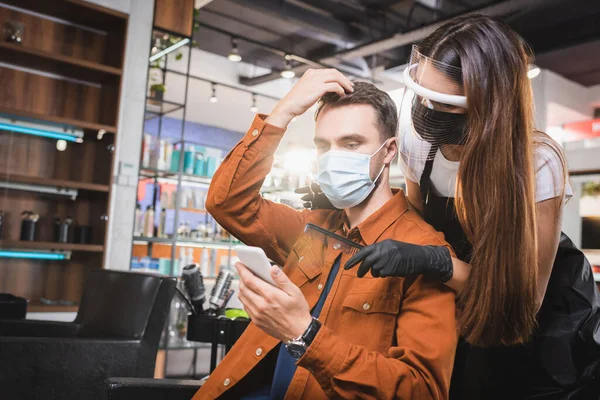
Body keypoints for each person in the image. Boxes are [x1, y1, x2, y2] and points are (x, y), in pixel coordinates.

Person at [334, 14, 600, 399]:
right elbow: (415, 221)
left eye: (443, 103)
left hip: (533, 319)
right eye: (421, 94)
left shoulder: (537, 162)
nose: (424, 109)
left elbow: (522, 302)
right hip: (456, 298)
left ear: (491, 105)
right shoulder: (417, 142)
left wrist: (436, 262)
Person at [192, 76, 459, 399]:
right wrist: (284, 112)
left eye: (351, 144)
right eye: (322, 146)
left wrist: (303, 333)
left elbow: (422, 391)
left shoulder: (421, 251)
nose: (332, 159)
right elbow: (227, 203)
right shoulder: (311, 227)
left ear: (388, 151)